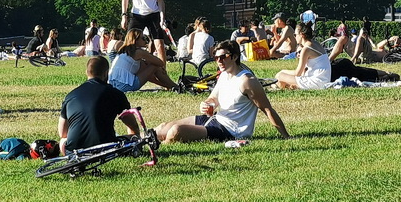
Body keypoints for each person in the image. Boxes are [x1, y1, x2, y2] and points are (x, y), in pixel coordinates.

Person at [154, 40, 290, 143]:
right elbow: (213, 97)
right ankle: (135, 141)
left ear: (235, 57)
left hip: (230, 131)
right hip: (215, 119)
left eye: (223, 57)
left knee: (176, 131)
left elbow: (268, 110)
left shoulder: (247, 81)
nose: (219, 61)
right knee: (162, 128)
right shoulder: (224, 74)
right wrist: (208, 104)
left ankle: (155, 150)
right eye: (216, 57)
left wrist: (287, 137)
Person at [58, 56, 140, 154]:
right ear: (106, 73)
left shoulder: (70, 96)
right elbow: (132, 125)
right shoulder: (115, 94)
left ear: (86, 72)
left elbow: (62, 132)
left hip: (74, 151)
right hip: (106, 148)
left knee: (62, 141)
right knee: (135, 138)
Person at [108, 28, 178, 92]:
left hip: (113, 86)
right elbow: (160, 63)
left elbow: (149, 76)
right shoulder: (138, 52)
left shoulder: (123, 51)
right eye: (143, 38)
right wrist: (149, 58)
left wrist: (165, 86)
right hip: (126, 86)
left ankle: (172, 86)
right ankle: (175, 86)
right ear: (136, 40)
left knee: (150, 66)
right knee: (154, 65)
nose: (145, 40)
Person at [275, 21, 331, 89]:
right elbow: (304, 71)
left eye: (295, 35)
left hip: (316, 82)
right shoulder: (316, 44)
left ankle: (286, 85)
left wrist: (283, 71)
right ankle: (288, 85)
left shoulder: (306, 49)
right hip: (324, 80)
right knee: (283, 80)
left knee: (280, 75)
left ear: (301, 35)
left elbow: (297, 73)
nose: (294, 37)